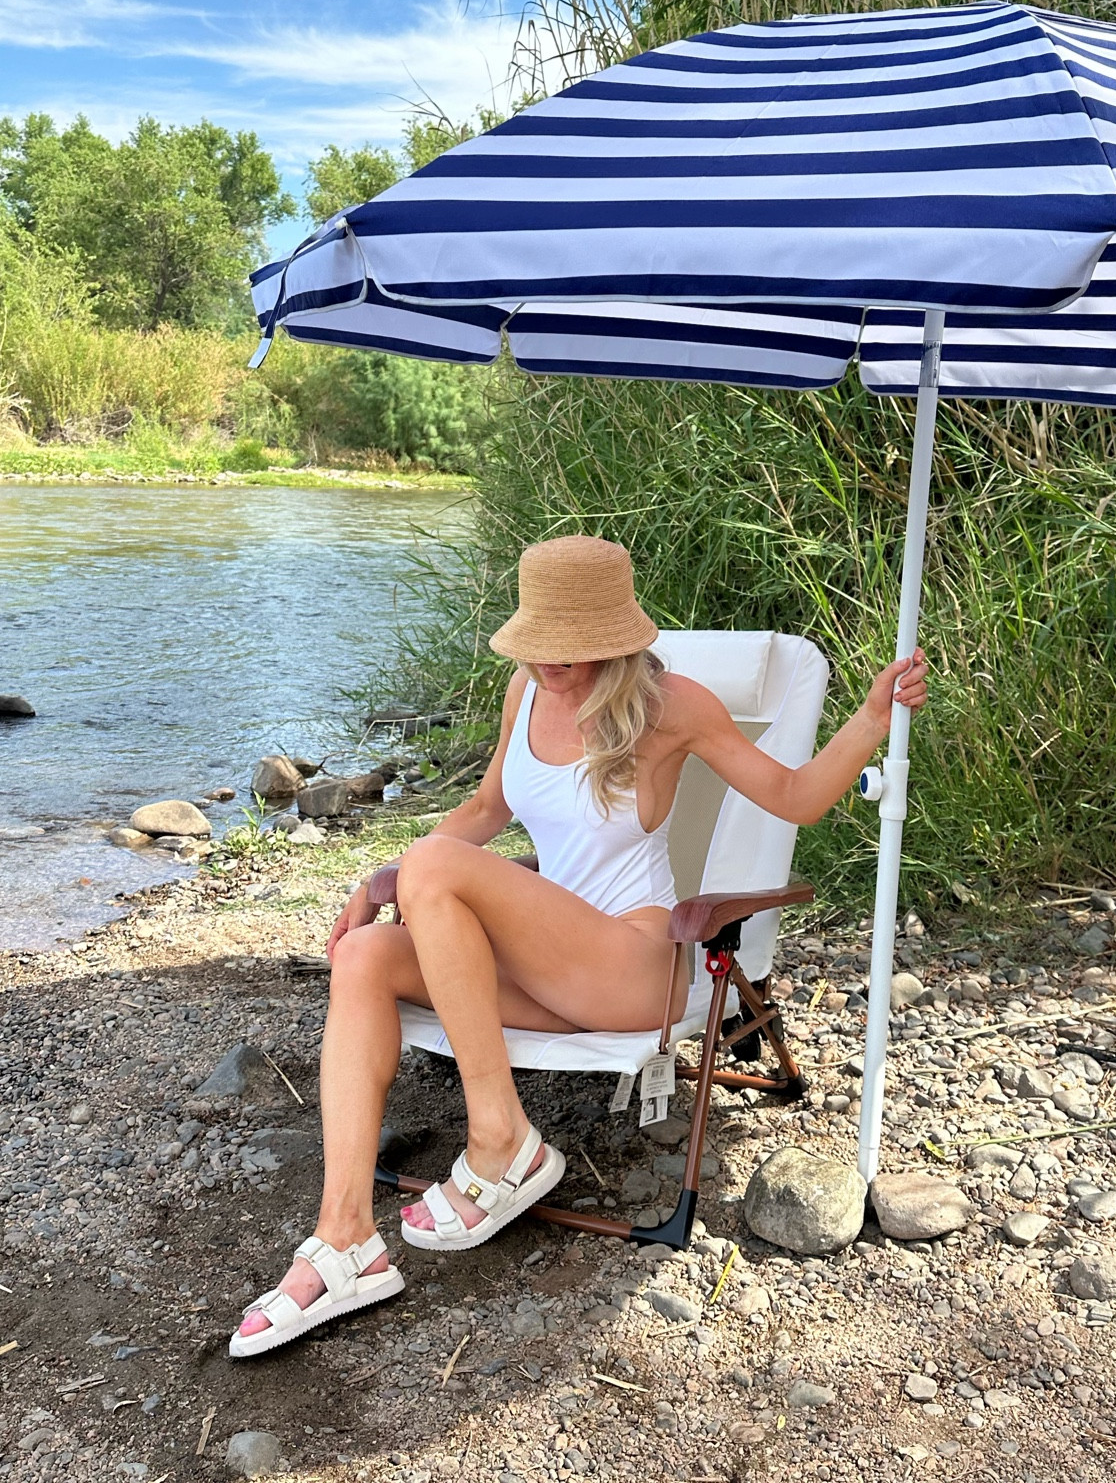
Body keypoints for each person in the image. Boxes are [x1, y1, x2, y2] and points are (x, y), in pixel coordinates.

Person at [229, 534, 928, 1356]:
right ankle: (347, 1237)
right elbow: (487, 810)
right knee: (363, 957)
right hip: (550, 967)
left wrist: (874, 717)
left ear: (614, 636)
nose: (549, 664)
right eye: (538, 645)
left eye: (570, 649)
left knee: (431, 869)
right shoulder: (524, 691)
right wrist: (381, 879)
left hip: (636, 966)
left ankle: (502, 1139)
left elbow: (795, 796)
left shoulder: (674, 705)